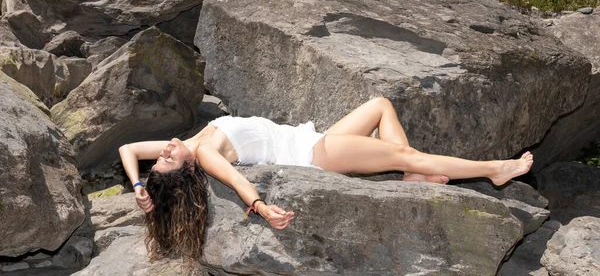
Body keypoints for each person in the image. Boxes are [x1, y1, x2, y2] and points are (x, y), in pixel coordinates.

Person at [119, 97, 533, 262]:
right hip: (313, 155)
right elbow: (237, 181)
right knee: (408, 152)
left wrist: (140, 187)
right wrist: (260, 207)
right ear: (187, 171)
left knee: (380, 106)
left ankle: (412, 178)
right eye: (168, 160)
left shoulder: (191, 143)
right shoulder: (205, 155)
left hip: (313, 136)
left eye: (163, 156)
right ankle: (493, 170)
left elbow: (129, 151)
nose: (166, 150)